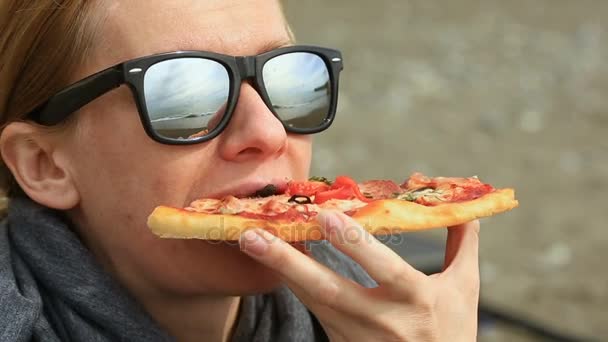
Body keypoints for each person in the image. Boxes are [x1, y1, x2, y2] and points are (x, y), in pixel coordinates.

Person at [0, 0, 480, 341]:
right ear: (45, 166)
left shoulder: (392, 312)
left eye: (290, 76)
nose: (269, 131)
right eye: (186, 95)